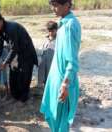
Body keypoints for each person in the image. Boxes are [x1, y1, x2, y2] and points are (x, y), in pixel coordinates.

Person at [40, 0, 81, 132]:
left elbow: (72, 61)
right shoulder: (61, 25)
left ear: (67, 4)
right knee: (52, 116)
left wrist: (65, 84)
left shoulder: (70, 25)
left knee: (61, 121)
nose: (53, 8)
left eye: (56, 5)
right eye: (52, 5)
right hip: (55, 78)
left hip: (63, 80)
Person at [0, 11, 38, 106]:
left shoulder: (11, 28)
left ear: (0, 21)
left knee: (24, 77)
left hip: (26, 54)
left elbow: (15, 48)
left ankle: (23, 100)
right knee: (13, 78)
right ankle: (15, 97)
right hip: (15, 54)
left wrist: (5, 62)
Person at [38, 21, 58, 88]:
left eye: (52, 31)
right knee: (42, 74)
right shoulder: (46, 39)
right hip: (43, 60)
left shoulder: (58, 40)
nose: (50, 33)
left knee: (50, 76)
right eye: (49, 31)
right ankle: (41, 88)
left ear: (56, 30)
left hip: (52, 62)